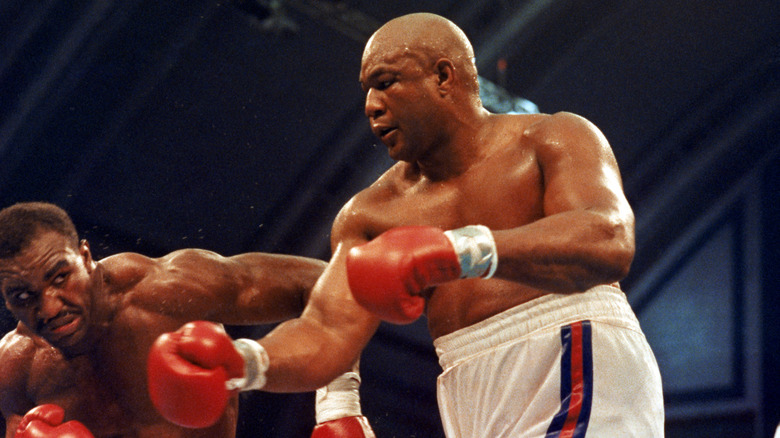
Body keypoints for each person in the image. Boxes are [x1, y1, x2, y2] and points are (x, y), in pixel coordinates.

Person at [150, 12, 665, 437]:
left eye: (386, 82)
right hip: (467, 388)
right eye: (366, 90)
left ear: (444, 77)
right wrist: (242, 362)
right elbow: (327, 332)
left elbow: (608, 237)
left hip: (574, 351)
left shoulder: (550, 138)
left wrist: (457, 250)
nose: (371, 107)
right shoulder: (370, 214)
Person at [0, 202, 375, 437]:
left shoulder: (167, 292)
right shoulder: (16, 368)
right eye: (23, 297)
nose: (49, 308)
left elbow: (330, 283)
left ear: (85, 255)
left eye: (59, 277)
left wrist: (338, 407)